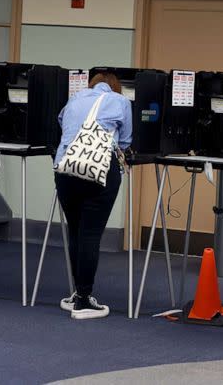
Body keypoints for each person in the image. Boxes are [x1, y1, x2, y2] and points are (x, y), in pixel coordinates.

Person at [54, 72, 132, 319]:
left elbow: (61, 125)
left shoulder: (75, 98)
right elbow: (126, 142)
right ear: (115, 87)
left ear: (92, 84)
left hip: (65, 169)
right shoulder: (120, 102)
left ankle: (77, 294)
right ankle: (84, 301)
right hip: (99, 170)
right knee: (90, 234)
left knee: (76, 230)